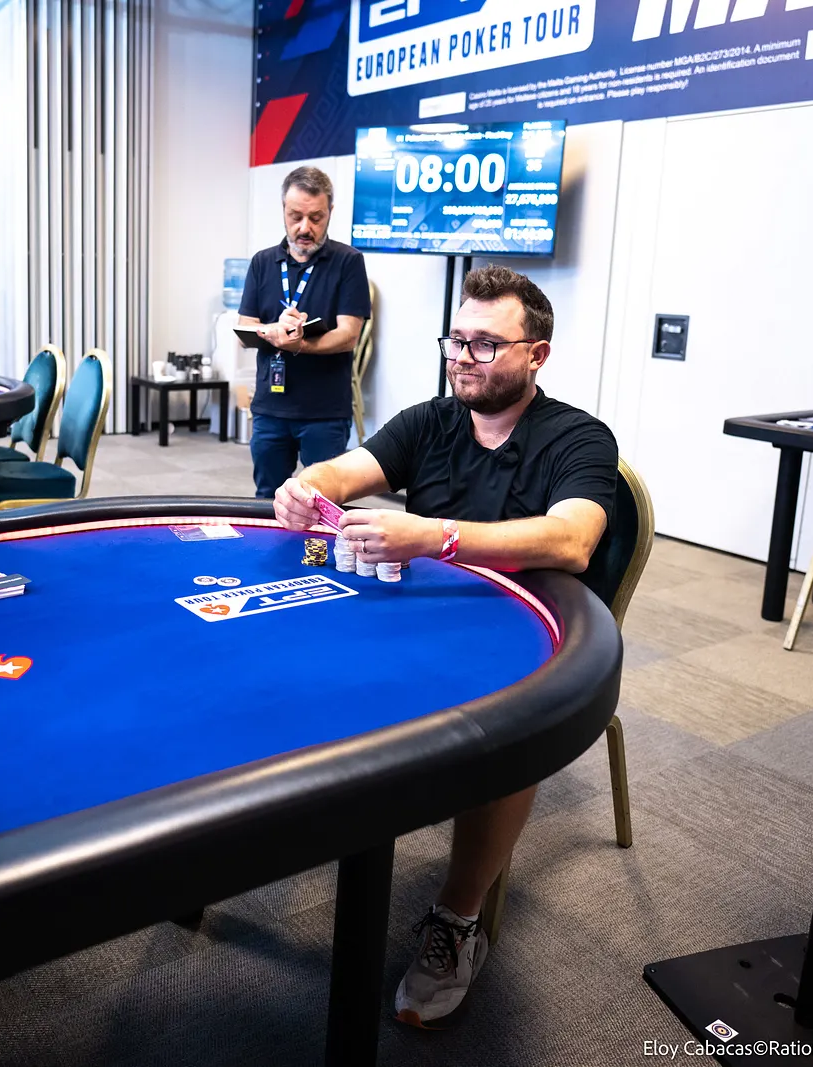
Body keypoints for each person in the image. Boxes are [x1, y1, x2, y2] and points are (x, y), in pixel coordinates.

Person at [272, 266, 617, 1031]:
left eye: (485, 344)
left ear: (537, 354)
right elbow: (345, 470)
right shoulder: (431, 419)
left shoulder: (579, 437)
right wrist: (306, 484)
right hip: (421, 620)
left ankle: (458, 919)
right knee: (288, 658)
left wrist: (435, 535)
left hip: (525, 638)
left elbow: (572, 539)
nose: (463, 356)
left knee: (507, 727)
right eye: (456, 339)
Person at [236, 166, 371, 499]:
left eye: (316, 218)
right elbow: (244, 328)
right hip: (270, 408)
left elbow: (349, 335)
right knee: (267, 497)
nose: (305, 228)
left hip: (324, 412)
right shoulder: (262, 262)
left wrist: (299, 344)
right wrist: (275, 331)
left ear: (330, 212)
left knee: (322, 502)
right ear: (283, 209)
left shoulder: (348, 262)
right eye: (296, 216)